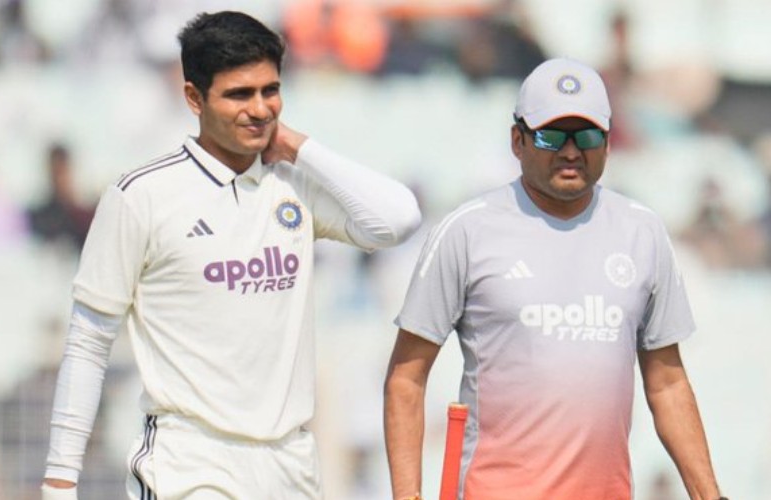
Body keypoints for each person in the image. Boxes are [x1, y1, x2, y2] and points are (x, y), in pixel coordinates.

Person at [41, 11, 421, 500]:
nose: (260, 109)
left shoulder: (293, 185)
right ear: (194, 98)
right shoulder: (142, 196)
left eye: (270, 90)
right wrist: (59, 480)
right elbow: (89, 340)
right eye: (240, 94)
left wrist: (299, 146)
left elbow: (398, 219)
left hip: (290, 466)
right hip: (190, 465)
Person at [384, 58, 725, 500]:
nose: (570, 151)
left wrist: (711, 495)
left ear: (608, 143)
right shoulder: (466, 231)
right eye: (550, 136)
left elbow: (668, 384)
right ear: (517, 141)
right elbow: (406, 379)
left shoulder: (642, 232)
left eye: (586, 136)